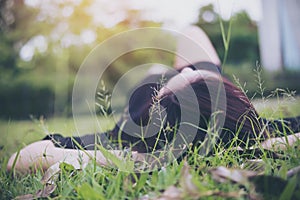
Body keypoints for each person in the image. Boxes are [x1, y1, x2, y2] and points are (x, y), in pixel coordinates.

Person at [7, 26, 300, 173]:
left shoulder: (125, 137)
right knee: (190, 33)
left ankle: (177, 83)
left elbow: (18, 160)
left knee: (173, 54)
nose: (184, 73)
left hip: (168, 94)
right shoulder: (250, 127)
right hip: (206, 100)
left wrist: (127, 160)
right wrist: (267, 143)